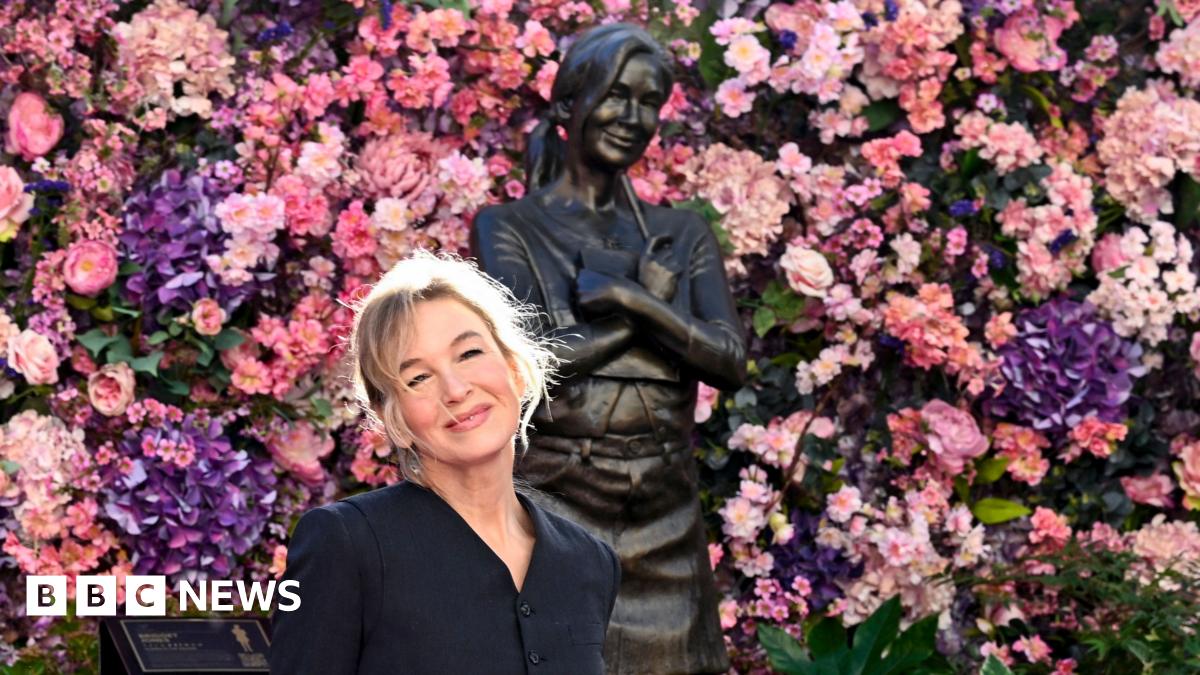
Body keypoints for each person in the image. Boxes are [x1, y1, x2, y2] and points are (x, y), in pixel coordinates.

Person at [470, 23, 746, 675]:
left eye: (649, 102)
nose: (634, 116)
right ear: (569, 103)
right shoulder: (506, 226)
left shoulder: (684, 232)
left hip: (666, 510)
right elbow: (531, 360)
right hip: (555, 502)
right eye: (618, 94)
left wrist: (629, 301)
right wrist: (654, 318)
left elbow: (728, 360)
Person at [269, 250, 621, 675]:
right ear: (392, 420)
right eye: (418, 378)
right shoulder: (347, 543)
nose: (455, 390)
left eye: (469, 353)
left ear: (515, 369)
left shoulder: (590, 562)